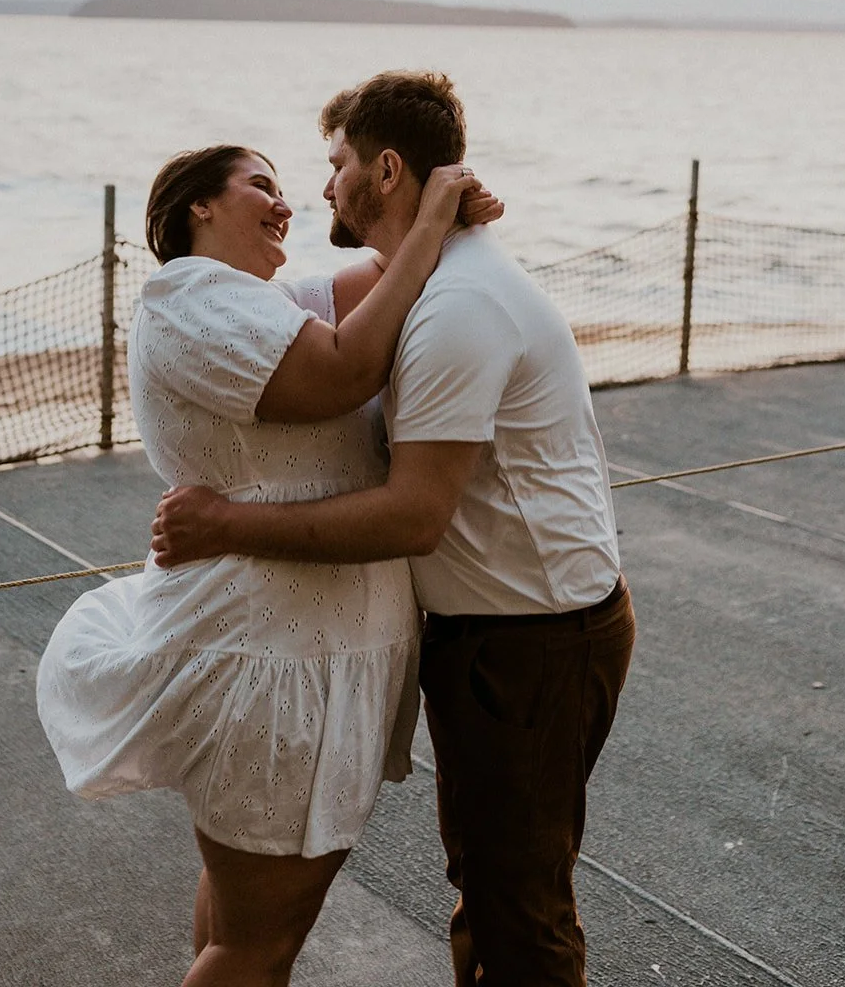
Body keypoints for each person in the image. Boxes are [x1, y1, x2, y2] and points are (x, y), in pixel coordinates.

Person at [152, 71, 637, 987]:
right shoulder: (428, 282)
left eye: (333, 164)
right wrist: (433, 222)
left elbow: (415, 514)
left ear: (381, 168)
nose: (319, 188)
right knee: (493, 893)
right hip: (497, 632)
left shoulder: (457, 306)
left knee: (517, 914)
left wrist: (228, 524)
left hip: (532, 639)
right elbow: (304, 314)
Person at [36, 141, 500, 987]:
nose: (284, 204)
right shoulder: (191, 299)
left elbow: (382, 284)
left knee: (237, 919)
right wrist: (432, 215)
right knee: (256, 946)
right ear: (197, 208)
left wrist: (438, 222)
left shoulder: (259, 304)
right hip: (276, 662)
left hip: (291, 656)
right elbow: (341, 369)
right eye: (261, 186)